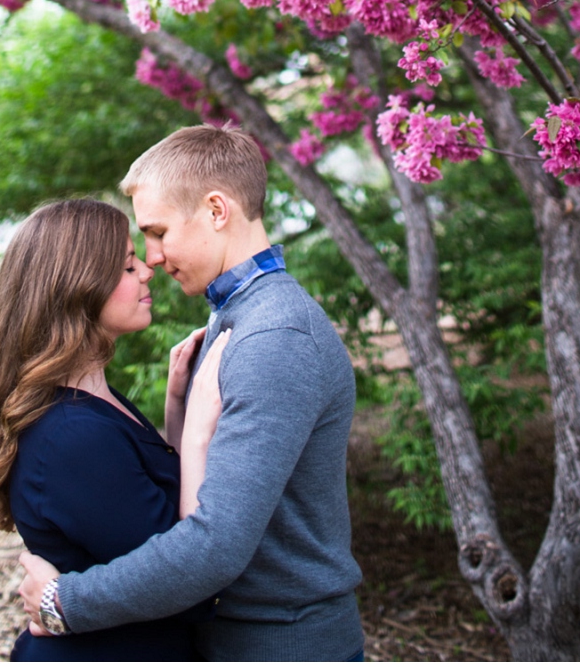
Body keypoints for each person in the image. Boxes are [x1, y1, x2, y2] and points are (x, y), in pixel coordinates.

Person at [19, 125, 365, 662]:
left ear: (216, 211)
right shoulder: (236, 316)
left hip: (280, 641)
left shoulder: (274, 337)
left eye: (157, 232)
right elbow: (211, 494)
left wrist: (64, 601)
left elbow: (213, 546)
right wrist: (181, 420)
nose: (151, 258)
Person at [0, 197, 229, 662]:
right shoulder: (72, 435)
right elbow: (187, 583)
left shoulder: (94, 402)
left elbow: (147, 507)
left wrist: (177, 407)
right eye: (127, 268)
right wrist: (200, 433)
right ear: (76, 289)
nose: (147, 270)